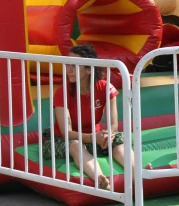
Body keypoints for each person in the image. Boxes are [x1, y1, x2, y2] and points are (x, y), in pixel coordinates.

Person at [43, 45, 150, 190]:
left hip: (93, 138)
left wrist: (107, 135)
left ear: (89, 70)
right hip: (61, 140)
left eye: (75, 65)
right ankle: (100, 179)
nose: (69, 69)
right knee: (75, 144)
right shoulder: (63, 91)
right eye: (67, 64)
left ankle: (137, 174)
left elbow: (113, 125)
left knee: (118, 138)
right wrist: (94, 137)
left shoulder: (105, 87)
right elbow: (66, 133)